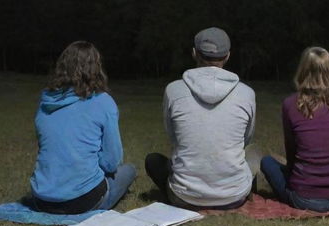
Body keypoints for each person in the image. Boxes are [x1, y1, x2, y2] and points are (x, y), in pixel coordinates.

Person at [145, 27, 258, 209]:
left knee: (153, 161)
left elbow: (173, 136)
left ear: (194, 53)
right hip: (234, 196)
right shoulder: (246, 93)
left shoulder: (173, 90)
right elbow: (246, 138)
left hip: (184, 196)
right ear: (228, 55)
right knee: (254, 153)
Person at [29, 41, 136, 214]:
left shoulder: (45, 102)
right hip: (84, 200)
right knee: (129, 170)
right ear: (96, 68)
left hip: (41, 199)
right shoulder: (103, 101)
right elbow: (111, 162)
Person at [260, 47, 329, 212]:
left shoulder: (290, 104)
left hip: (307, 199)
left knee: (267, 162)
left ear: (303, 71)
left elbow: (291, 152)